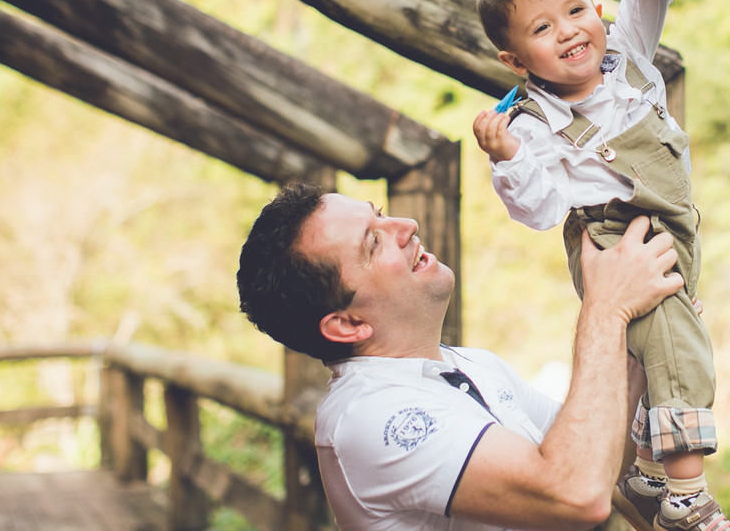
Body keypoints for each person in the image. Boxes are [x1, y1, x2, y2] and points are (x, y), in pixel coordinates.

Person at [472, 0, 730, 531]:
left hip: (674, 230)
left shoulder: (628, 58)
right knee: (676, 347)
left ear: (595, 7)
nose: (567, 32)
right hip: (618, 245)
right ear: (514, 59)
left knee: (668, 347)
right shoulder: (534, 124)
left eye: (574, 11)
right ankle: (686, 496)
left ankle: (645, 471)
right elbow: (535, 209)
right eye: (541, 28)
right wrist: (508, 161)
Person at [236, 182, 684, 531]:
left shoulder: (469, 365)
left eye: (381, 215)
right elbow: (575, 493)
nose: (406, 224)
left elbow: (595, 458)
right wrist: (606, 308)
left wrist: (642, 336)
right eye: (374, 243)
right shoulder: (367, 417)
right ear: (349, 325)